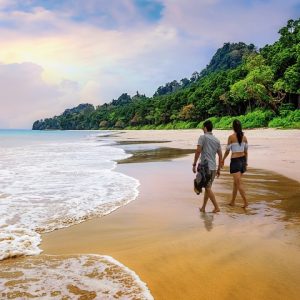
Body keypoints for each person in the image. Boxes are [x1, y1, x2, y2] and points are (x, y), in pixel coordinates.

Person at [192, 120, 222, 213]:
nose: (202, 128)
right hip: (213, 167)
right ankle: (203, 207)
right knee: (207, 187)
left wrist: (194, 164)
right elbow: (220, 155)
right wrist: (219, 169)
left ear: (205, 128)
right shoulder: (217, 140)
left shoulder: (202, 137)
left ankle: (217, 207)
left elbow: (198, 151)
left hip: (205, 167)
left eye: (202, 127)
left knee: (207, 188)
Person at [221, 119, 248, 208]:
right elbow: (246, 152)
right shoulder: (244, 137)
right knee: (236, 183)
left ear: (233, 127)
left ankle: (246, 202)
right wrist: (246, 163)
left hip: (235, 161)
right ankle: (232, 201)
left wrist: (223, 159)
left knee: (238, 183)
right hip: (243, 160)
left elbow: (228, 151)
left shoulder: (231, 137)